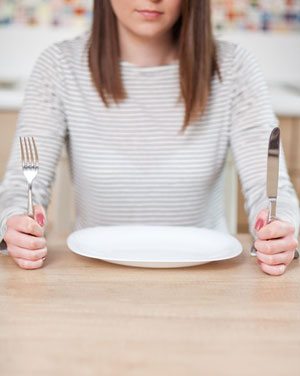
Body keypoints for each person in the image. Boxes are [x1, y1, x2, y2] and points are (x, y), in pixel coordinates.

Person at [0, 0, 299, 275]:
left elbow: (270, 188)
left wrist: (282, 229)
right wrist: (16, 222)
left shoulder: (235, 67)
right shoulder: (58, 66)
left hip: (206, 277)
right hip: (92, 275)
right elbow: (21, 186)